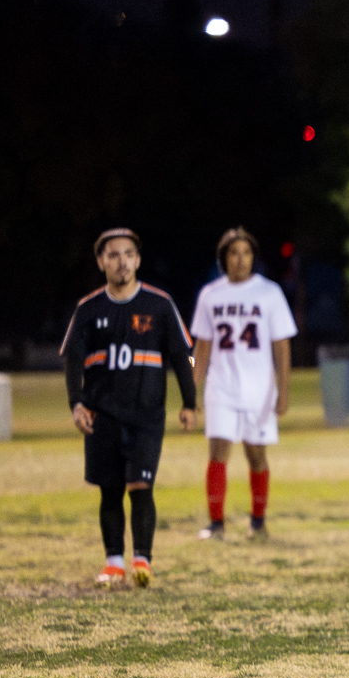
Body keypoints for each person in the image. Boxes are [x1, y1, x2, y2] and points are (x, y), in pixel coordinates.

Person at [60, 228, 197, 588]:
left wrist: (189, 402)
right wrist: (76, 404)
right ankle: (114, 563)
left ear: (138, 260)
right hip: (100, 414)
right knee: (110, 489)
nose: (121, 261)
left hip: (146, 417)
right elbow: (73, 360)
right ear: (101, 261)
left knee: (140, 486)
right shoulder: (88, 309)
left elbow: (182, 357)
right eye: (113, 255)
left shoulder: (159, 304)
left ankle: (143, 562)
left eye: (128, 254)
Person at [191, 227, 297, 540]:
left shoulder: (269, 293)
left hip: (259, 390)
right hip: (221, 388)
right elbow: (201, 348)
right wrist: (190, 389)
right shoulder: (211, 294)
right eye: (234, 253)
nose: (241, 259)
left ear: (254, 257)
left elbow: (282, 345)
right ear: (224, 258)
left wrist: (284, 391)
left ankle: (258, 523)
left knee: (257, 456)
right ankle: (217, 525)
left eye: (246, 253)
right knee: (217, 453)